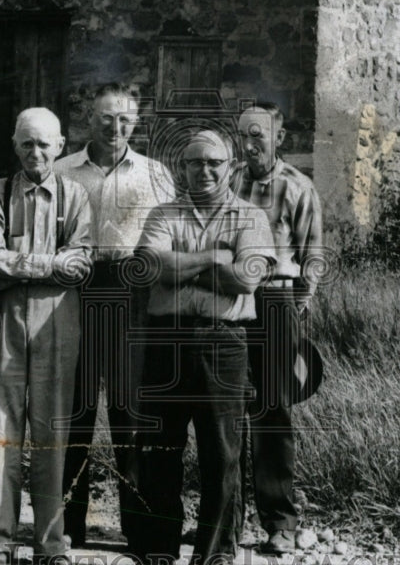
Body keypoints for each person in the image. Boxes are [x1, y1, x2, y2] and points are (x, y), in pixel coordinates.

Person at [131, 129, 276, 565]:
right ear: (184, 168)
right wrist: (216, 259)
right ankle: (159, 549)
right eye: (196, 162)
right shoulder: (163, 214)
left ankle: (213, 555)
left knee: (221, 453)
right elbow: (153, 266)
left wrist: (185, 267)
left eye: (214, 162)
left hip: (223, 342)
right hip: (166, 340)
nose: (205, 170)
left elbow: (247, 279)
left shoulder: (251, 218)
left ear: (230, 167)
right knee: (160, 449)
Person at [55, 83, 175, 548]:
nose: (115, 126)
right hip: (78, 290)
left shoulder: (155, 173)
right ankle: (67, 526)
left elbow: (170, 237)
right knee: (76, 410)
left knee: (130, 413)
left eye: (125, 119)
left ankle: (139, 529)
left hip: (133, 294)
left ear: (136, 122)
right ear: (91, 116)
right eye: (107, 117)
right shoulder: (64, 170)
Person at [0, 107, 92, 565]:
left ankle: (50, 545)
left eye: (44, 143)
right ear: (14, 145)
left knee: (51, 434)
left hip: (58, 323)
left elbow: (79, 263)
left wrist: (17, 264)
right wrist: (47, 265)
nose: (36, 152)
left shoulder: (75, 195)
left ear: (60, 146)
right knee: (1, 432)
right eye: (27, 143)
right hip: (4, 320)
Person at [233, 104, 323, 554]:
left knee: (272, 410)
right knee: (225, 408)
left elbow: (313, 258)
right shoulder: (227, 179)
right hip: (229, 298)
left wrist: (292, 307)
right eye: (243, 135)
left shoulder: (297, 187)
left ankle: (279, 522)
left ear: (279, 137)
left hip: (274, 299)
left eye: (259, 136)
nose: (250, 145)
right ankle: (225, 522)